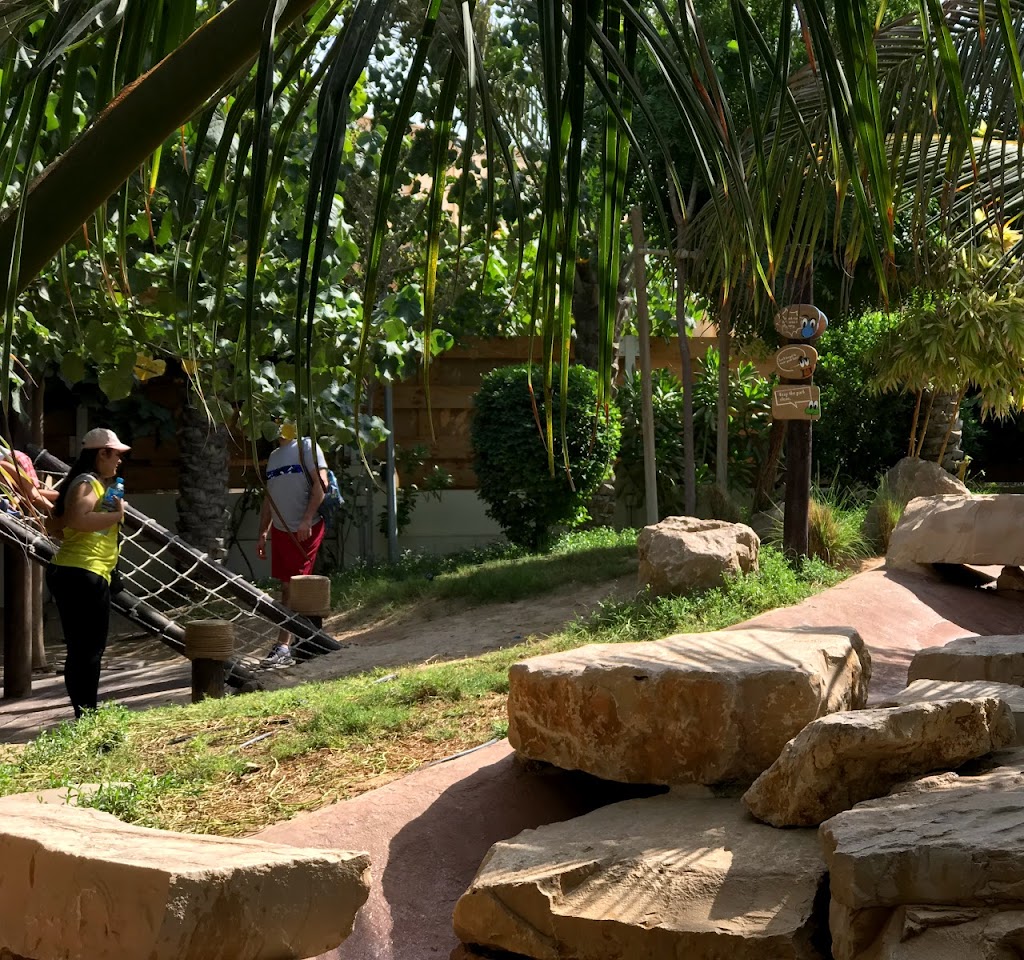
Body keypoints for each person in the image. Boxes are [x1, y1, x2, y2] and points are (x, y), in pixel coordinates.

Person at [45, 428, 130, 718]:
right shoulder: (87, 482)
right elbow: (78, 520)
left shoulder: (82, 483)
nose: (119, 461)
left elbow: (56, 525)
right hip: (84, 572)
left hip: (74, 571)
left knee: (81, 650)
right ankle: (87, 715)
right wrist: (117, 515)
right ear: (101, 454)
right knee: (89, 651)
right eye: (115, 455)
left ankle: (84, 714)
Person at [256, 422, 328, 665]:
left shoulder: (307, 446)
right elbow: (270, 497)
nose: (277, 423)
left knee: (292, 587)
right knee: (286, 587)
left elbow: (322, 484)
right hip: (281, 531)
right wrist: (263, 532)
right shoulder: (274, 456)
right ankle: (303, 642)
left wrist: (307, 519)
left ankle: (284, 647)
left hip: (304, 529)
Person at [0, 447, 58, 515]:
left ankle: (56, 509)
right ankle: (58, 500)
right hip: (18, 458)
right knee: (29, 492)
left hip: (11, 459)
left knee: (30, 494)